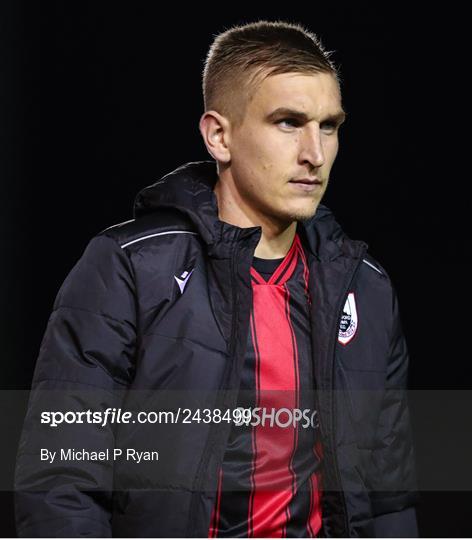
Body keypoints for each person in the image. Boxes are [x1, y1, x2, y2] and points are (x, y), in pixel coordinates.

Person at [14, 20, 420, 537]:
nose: (314, 154)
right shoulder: (129, 267)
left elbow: (389, 501)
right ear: (219, 136)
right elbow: (60, 480)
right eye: (288, 122)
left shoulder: (367, 289)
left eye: (329, 126)